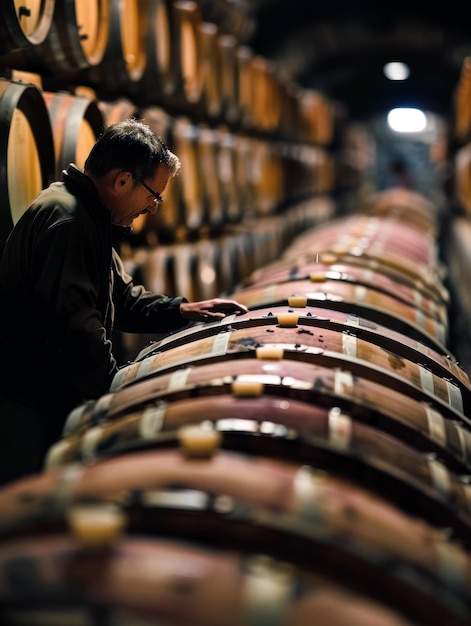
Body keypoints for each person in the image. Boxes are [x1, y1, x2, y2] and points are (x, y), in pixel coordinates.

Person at [0, 118, 248, 485]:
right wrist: (115, 396)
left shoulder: (86, 215)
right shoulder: (69, 222)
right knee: (25, 514)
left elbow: (122, 297)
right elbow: (75, 326)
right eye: (154, 195)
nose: (153, 209)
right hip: (28, 407)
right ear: (122, 180)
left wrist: (181, 310)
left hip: (44, 397)